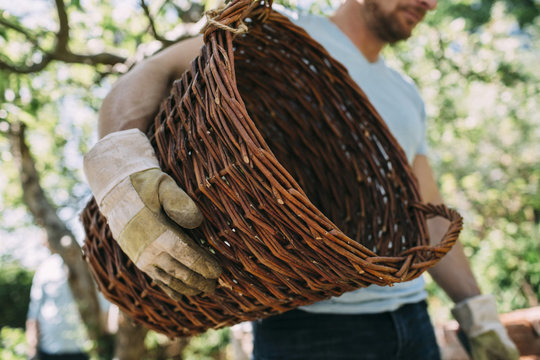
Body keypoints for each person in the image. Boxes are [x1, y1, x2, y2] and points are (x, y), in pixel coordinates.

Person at [83, 0, 519, 358]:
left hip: (413, 322)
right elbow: (149, 73)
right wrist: (121, 173)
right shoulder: (279, 31)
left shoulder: (406, 93)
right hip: (307, 330)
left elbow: (427, 209)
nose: (429, 3)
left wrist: (476, 312)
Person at [26, 253, 90, 360]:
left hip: (80, 349)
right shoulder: (45, 268)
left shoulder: (85, 267)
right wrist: (32, 347)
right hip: (49, 350)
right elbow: (34, 311)